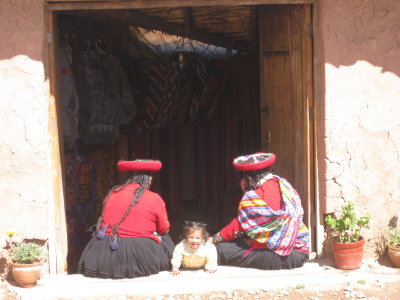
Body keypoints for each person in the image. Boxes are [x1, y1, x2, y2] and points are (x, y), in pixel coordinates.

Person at [78, 159, 174, 279]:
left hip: (104, 256)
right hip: (142, 258)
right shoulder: (154, 198)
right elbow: (164, 229)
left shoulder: (112, 194)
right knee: (165, 238)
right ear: (148, 178)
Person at [211, 152, 309, 270]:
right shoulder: (282, 184)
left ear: (250, 176)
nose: (242, 179)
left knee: (221, 250)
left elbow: (241, 225)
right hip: (299, 251)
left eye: (244, 176)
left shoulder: (257, 194)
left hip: (282, 255)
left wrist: (214, 239)